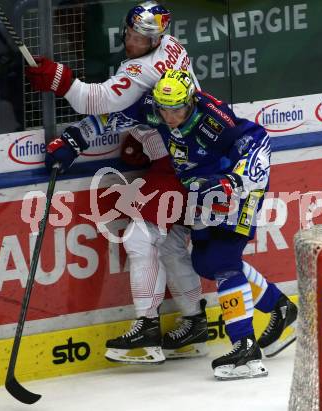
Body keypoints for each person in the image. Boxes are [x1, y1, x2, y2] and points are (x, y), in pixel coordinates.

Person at [46, 69, 298, 380]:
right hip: (199, 187)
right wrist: (74, 140)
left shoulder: (213, 118)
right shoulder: (155, 109)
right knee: (204, 260)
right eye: (164, 109)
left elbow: (256, 141)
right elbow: (111, 118)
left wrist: (234, 182)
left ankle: (245, 346)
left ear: (191, 100)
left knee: (222, 260)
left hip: (238, 187)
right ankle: (279, 306)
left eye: (177, 109)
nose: (170, 117)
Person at [31, 1, 208, 365]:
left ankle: (146, 325)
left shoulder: (143, 68)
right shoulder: (172, 45)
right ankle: (194, 321)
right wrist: (78, 138)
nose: (133, 42)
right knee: (171, 244)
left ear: (156, 38)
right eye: (131, 34)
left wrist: (61, 81)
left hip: (178, 164)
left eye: (143, 38)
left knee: (140, 236)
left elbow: (99, 101)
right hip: (186, 158)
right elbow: (135, 113)